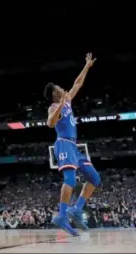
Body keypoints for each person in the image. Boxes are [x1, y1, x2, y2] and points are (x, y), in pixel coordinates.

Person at [43, 53, 101, 236]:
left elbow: (77, 83)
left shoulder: (67, 100)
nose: (62, 88)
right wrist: (60, 105)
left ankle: (76, 209)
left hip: (74, 147)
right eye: (59, 87)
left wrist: (86, 66)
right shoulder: (54, 107)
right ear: (54, 93)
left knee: (94, 178)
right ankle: (61, 216)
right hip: (63, 144)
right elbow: (50, 123)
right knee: (69, 179)